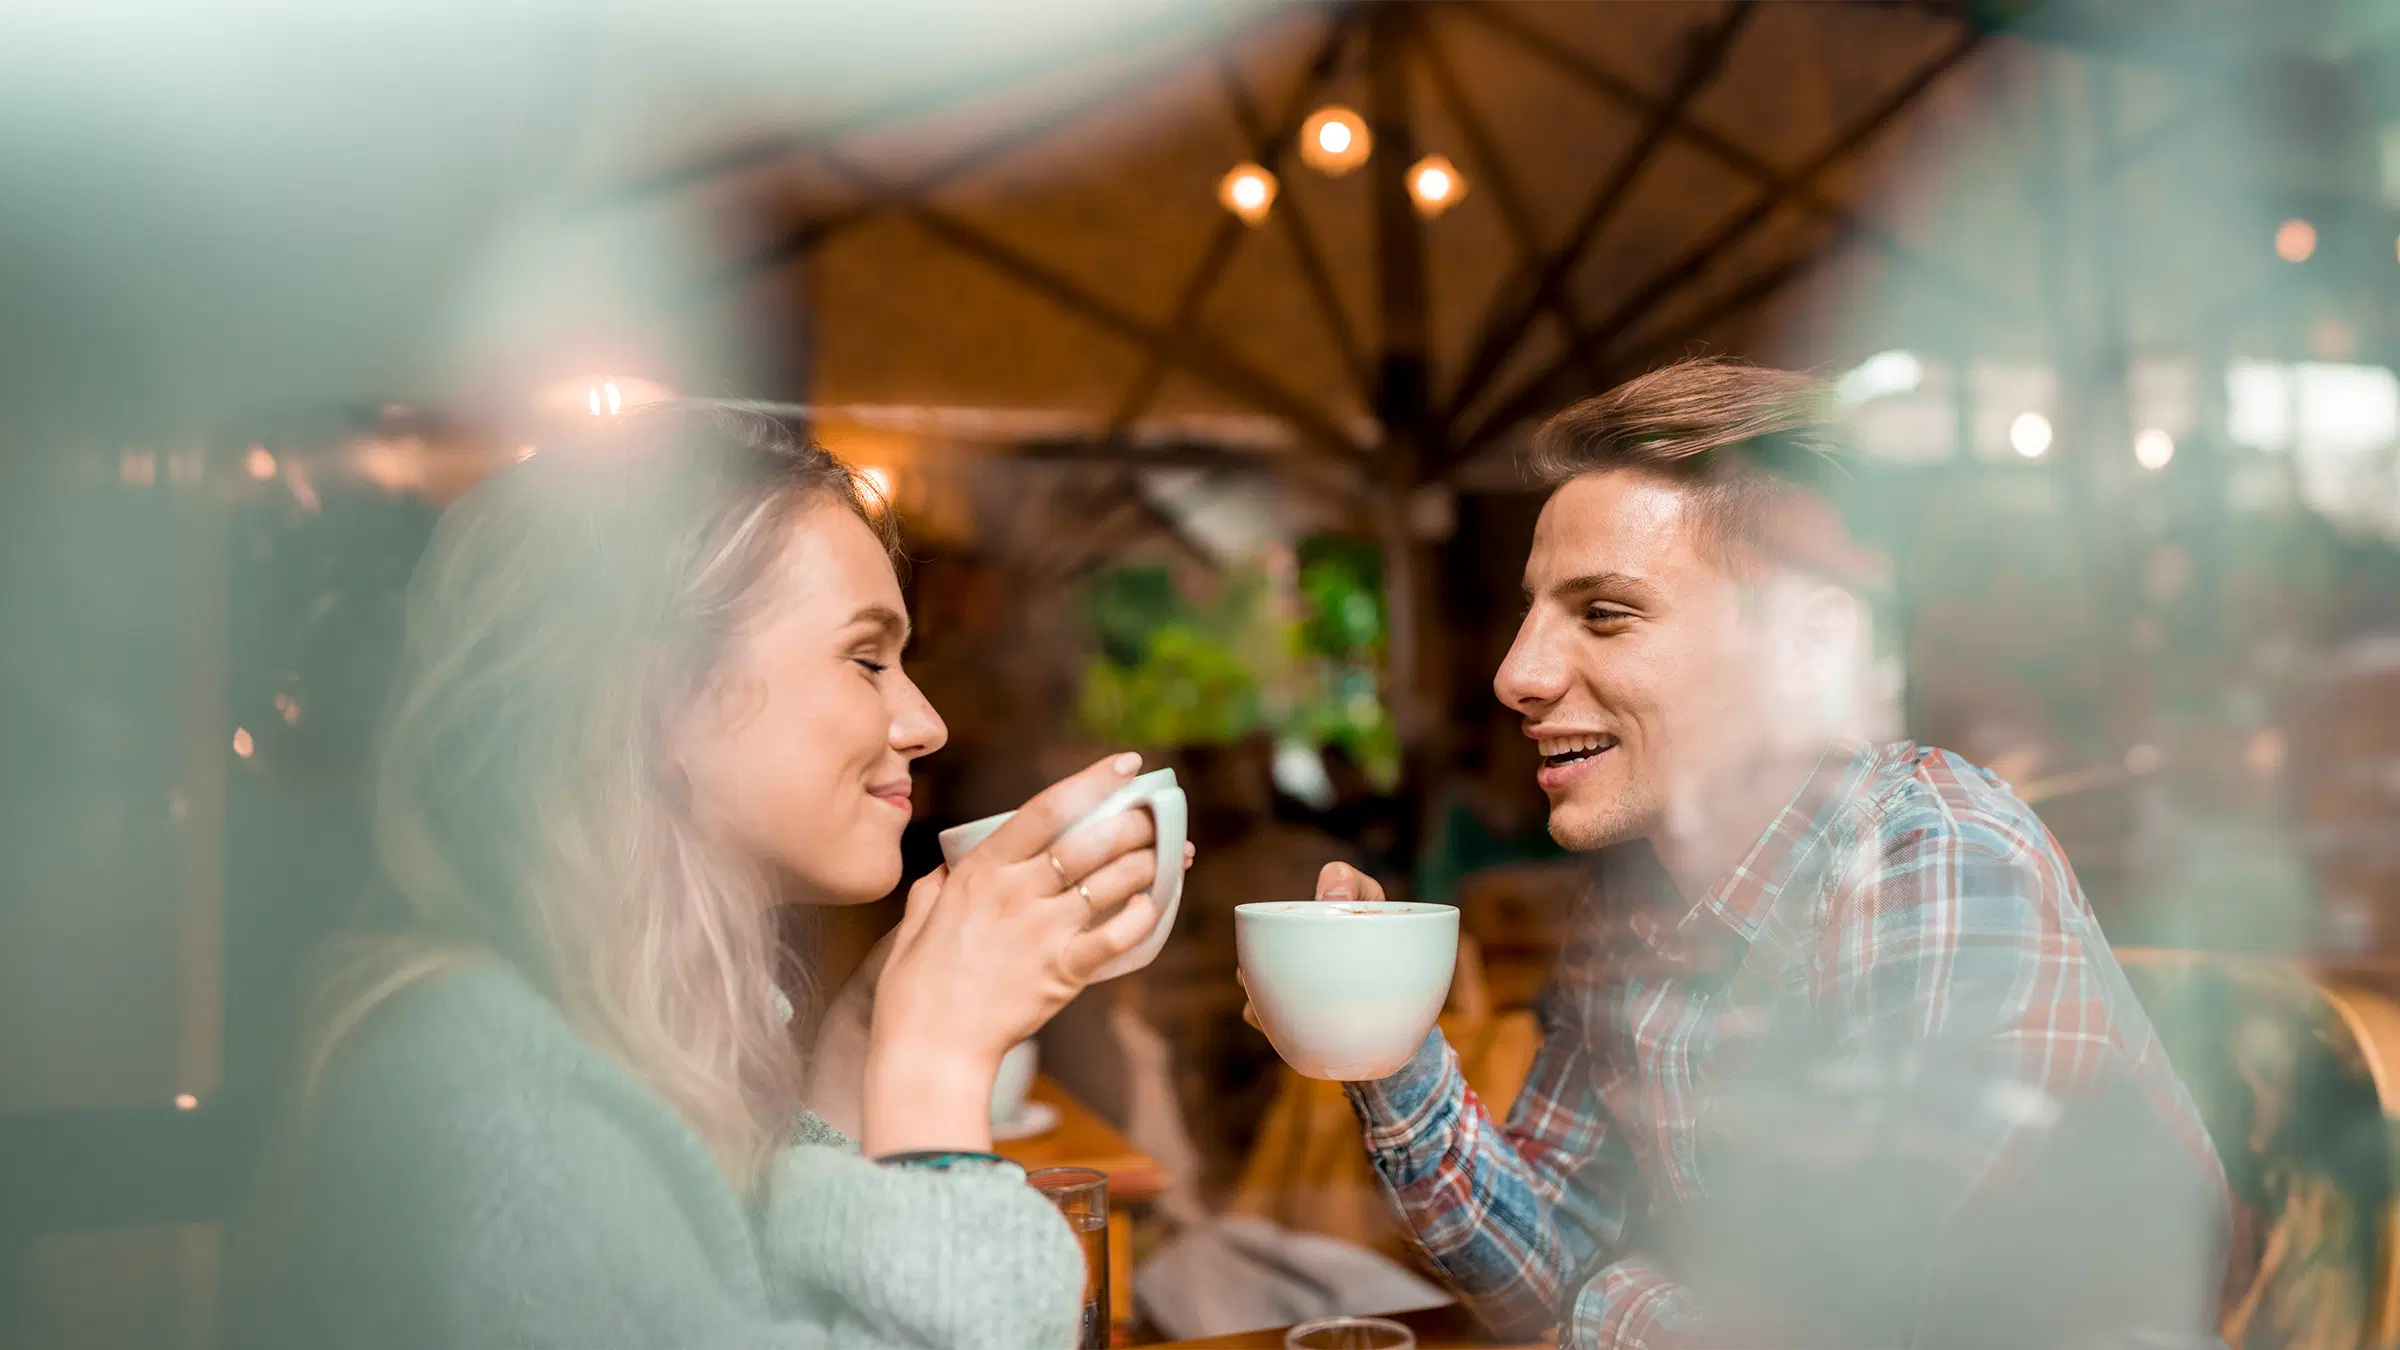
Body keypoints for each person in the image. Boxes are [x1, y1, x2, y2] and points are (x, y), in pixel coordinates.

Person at [1268, 359, 2232, 1348]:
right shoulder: (1634, 905)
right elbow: (1546, 1265)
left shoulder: (1928, 852)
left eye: (1605, 613)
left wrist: (1604, 1303)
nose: (1519, 673)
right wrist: (1388, 1045)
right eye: (1532, 611)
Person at [235, 404, 1184, 1350]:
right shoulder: (498, 1106)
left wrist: (865, 1031)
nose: (925, 722)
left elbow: (751, 1312)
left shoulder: (602, 1027)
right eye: (867, 659)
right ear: (665, 702)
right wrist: (934, 1066)